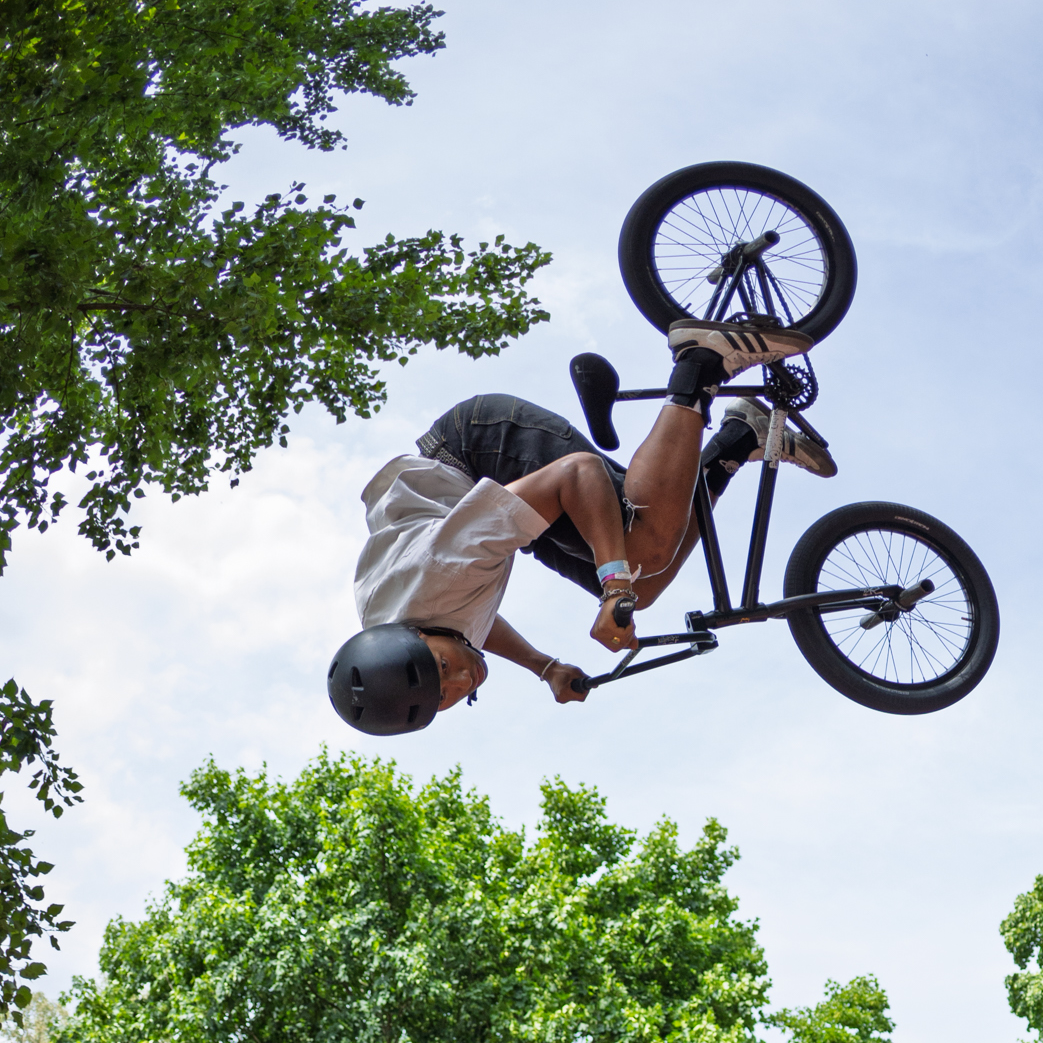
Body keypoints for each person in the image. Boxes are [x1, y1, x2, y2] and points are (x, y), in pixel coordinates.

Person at [328, 314, 825, 735]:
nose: (463, 681)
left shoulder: (441, 570)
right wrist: (545, 667)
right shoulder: (413, 632)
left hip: (480, 447)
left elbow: (578, 473)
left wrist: (613, 586)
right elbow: (470, 623)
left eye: (444, 671)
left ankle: (701, 363)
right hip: (472, 502)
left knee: (636, 560)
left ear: (409, 640)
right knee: (641, 588)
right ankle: (740, 438)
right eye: (446, 699)